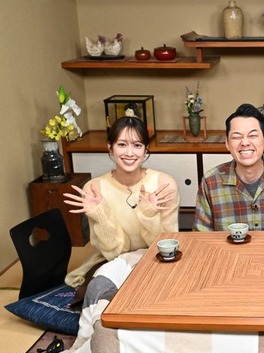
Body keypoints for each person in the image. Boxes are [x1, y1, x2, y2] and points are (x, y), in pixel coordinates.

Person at [63, 116, 179, 287]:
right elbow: (113, 253)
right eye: (122, 144)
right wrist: (101, 214)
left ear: (146, 149)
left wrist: (149, 214)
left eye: (137, 145)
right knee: (101, 290)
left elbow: (166, 247)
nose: (129, 153)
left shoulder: (164, 184)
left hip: (156, 261)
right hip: (112, 262)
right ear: (110, 147)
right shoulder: (95, 189)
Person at [193, 103, 264, 231]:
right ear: (227, 143)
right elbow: (201, 236)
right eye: (237, 137)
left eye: (252, 136)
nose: (245, 143)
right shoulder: (210, 182)